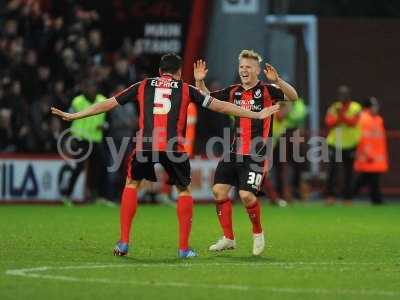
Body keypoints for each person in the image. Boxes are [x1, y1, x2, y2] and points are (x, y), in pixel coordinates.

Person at [51, 53, 280, 259]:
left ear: (160, 71)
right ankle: (183, 248)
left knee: (132, 184)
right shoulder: (185, 88)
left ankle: (123, 242)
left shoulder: (143, 85)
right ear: (179, 72)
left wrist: (75, 115)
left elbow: (109, 104)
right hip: (174, 147)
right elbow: (221, 107)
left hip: (146, 144)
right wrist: (256, 114)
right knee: (183, 190)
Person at [194, 50, 298, 255]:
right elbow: (207, 99)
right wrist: (199, 82)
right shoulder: (233, 91)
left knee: (246, 195)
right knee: (218, 191)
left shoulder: (268, 90)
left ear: (257, 70)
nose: (244, 70)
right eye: (241, 66)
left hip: (257, 153)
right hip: (234, 150)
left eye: (248, 67)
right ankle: (228, 238)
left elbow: (293, 97)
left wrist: (278, 80)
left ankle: (258, 233)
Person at [324, 85, 362, 205]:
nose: (342, 96)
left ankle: (347, 198)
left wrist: (341, 116)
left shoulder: (355, 107)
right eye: (340, 94)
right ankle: (330, 196)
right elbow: (329, 123)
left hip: (350, 144)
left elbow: (353, 123)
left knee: (349, 172)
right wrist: (342, 118)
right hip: (335, 143)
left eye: (344, 94)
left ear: (349, 95)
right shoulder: (334, 107)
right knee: (332, 170)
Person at [353, 97, 388, 204]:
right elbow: (362, 138)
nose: (377, 108)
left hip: (377, 156)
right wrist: (367, 153)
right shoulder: (363, 119)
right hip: (367, 156)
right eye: (374, 106)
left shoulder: (378, 119)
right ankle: (349, 196)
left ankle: (350, 196)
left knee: (370, 179)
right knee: (365, 179)